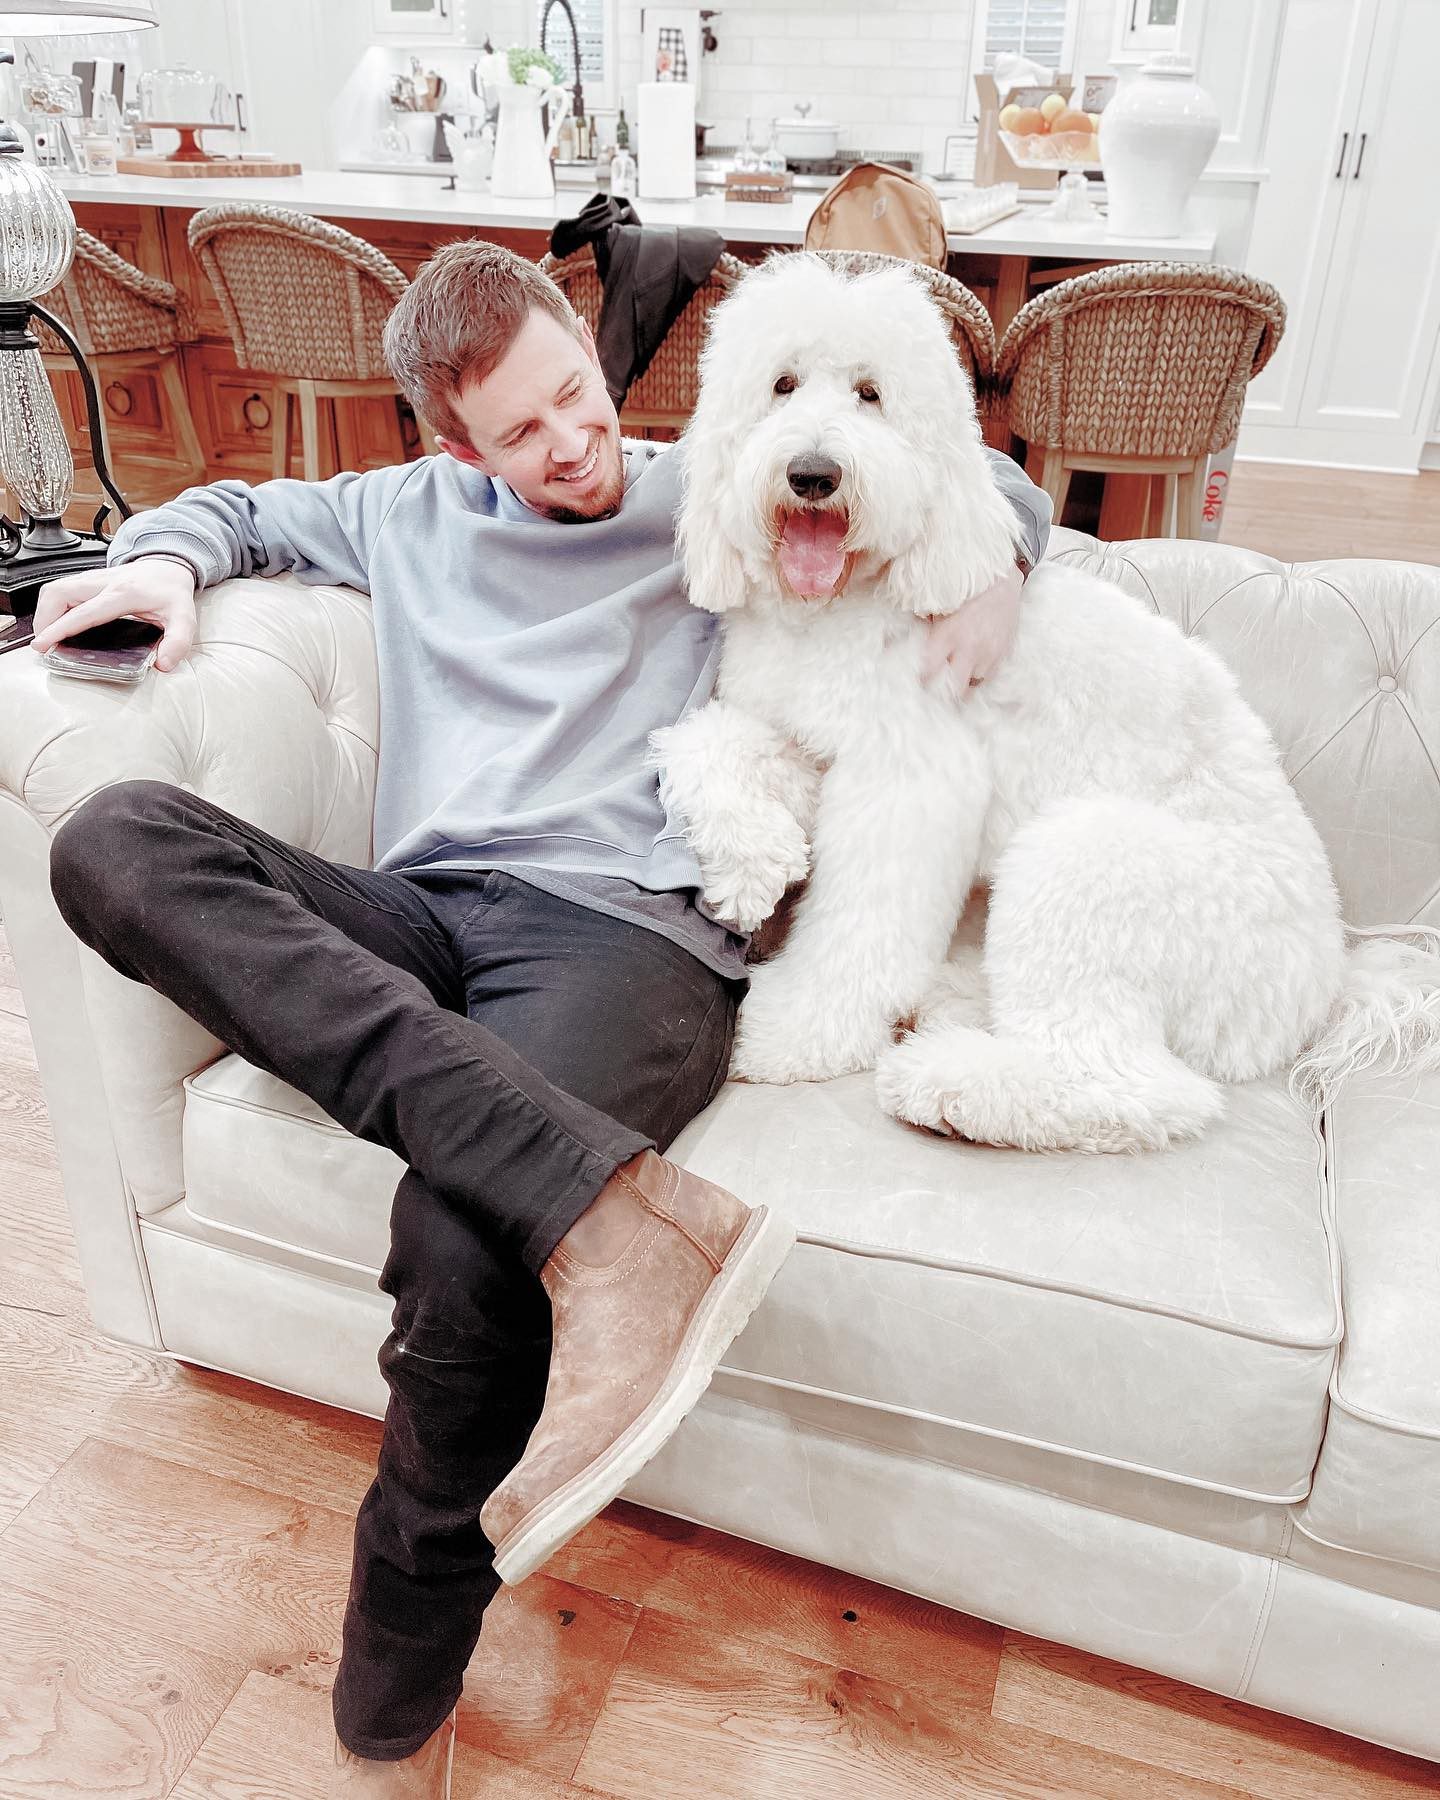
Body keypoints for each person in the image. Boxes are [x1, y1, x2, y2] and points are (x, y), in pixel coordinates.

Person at [31, 240, 1051, 1798]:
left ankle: (395, 1704)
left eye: (579, 396)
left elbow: (953, 476)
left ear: (595, 351)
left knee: (458, 1242)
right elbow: (230, 506)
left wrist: (1006, 564)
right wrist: (165, 563)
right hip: (429, 911)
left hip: (624, 938)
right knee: (106, 840)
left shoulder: (706, 484)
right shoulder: (400, 512)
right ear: (455, 446)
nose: (575, 446)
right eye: (524, 432)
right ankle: (612, 1212)